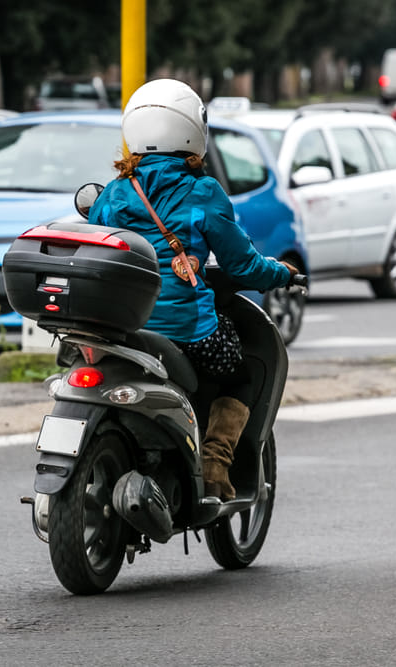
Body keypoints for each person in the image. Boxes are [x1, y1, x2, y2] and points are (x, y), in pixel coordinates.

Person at [88, 78, 296, 501]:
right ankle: (216, 464)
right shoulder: (202, 192)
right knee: (242, 373)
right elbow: (243, 265)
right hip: (187, 331)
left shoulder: (112, 194)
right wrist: (282, 274)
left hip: (122, 329)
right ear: (191, 131)